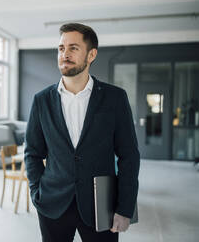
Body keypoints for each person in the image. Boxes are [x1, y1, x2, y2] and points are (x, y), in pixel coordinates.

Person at [24, 23, 140, 242]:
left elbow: (129, 155)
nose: (64, 54)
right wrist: (36, 192)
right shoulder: (41, 101)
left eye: (73, 48)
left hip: (101, 206)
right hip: (52, 203)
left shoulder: (115, 98)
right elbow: (32, 152)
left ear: (91, 54)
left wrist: (125, 208)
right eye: (61, 48)